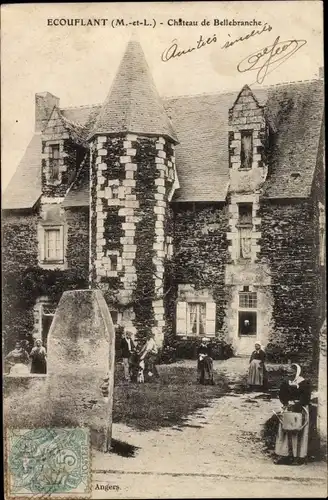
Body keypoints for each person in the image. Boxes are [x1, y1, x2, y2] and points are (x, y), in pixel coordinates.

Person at [274, 363, 312, 465]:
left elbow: (306, 397)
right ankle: (285, 455)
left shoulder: (304, 383)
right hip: (288, 408)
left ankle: (298, 457)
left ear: (297, 372)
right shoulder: (286, 382)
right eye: (288, 372)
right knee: (284, 431)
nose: (289, 374)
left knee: (298, 432)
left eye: (292, 372)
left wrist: (297, 404)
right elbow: (281, 394)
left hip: (300, 409)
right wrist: (286, 403)